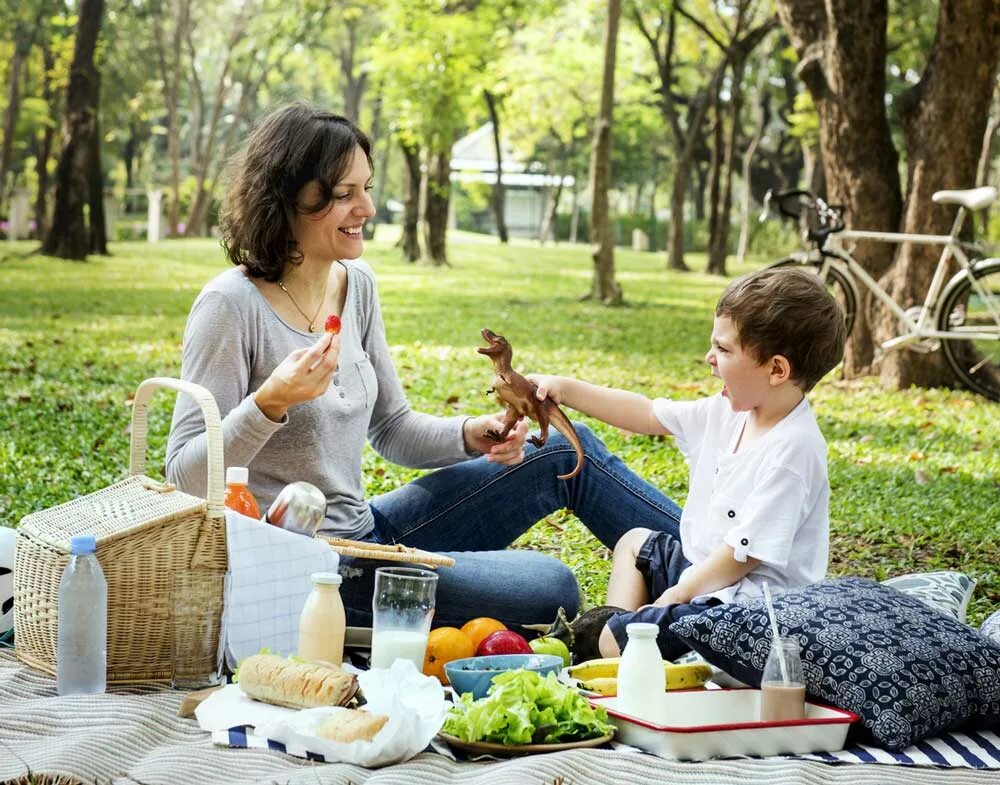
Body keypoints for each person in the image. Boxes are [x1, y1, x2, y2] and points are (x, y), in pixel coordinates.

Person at [165, 103, 686, 632]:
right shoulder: (230, 307)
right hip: (311, 571)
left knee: (554, 451)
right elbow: (183, 476)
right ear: (286, 199)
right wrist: (270, 402)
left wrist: (470, 434)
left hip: (365, 529)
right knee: (553, 587)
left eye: (366, 188)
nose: (366, 208)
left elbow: (392, 428)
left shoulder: (355, 284)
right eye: (345, 195)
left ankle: (721, 568)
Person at [530, 268, 847, 659]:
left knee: (613, 637)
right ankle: (623, 648)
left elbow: (740, 559)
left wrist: (675, 596)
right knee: (634, 544)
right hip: (705, 580)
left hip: (747, 616)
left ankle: (614, 646)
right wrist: (564, 389)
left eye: (725, 350)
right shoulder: (728, 411)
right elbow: (646, 413)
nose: (709, 358)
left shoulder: (794, 450)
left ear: (777, 369)